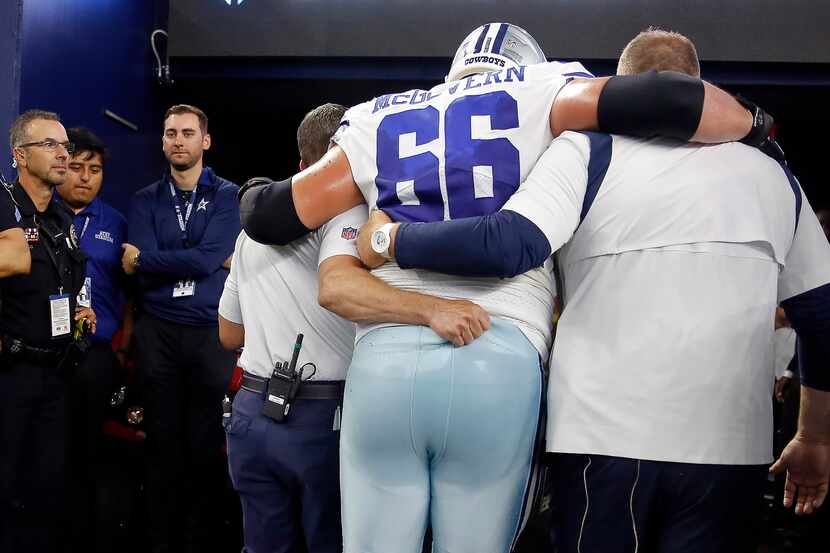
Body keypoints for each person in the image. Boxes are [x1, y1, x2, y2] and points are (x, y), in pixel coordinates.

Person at [240, 22, 774, 553]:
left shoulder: (377, 116)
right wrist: (756, 126)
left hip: (385, 365)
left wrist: (257, 193)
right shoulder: (545, 90)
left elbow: (267, 215)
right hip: (500, 354)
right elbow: (672, 97)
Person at [219, 103, 488, 553]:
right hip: (321, 418)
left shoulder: (250, 233)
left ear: (302, 166)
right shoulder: (351, 217)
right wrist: (433, 309)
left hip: (251, 413)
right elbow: (337, 290)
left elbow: (228, 334)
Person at [123, 104, 240, 553]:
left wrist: (149, 260)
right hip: (158, 332)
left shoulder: (228, 196)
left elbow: (203, 257)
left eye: (188, 133)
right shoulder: (145, 199)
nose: (178, 140)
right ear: (163, 140)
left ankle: (203, 541)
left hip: (208, 332)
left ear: (205, 141)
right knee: (161, 443)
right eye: (171, 132)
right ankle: (159, 542)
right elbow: (203, 259)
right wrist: (197, 259)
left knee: (206, 444)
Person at [0, 110, 96, 553]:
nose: (64, 156)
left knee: (48, 489)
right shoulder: (4, 205)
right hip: (11, 372)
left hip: (58, 372)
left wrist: (79, 311)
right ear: (20, 155)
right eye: (51, 146)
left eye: (65, 146)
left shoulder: (62, 219)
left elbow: (66, 284)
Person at [54, 126, 131, 551]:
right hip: (48, 353)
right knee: (49, 449)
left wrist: (120, 347)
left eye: (95, 169)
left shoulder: (115, 223)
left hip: (97, 354)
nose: (85, 177)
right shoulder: (42, 216)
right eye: (77, 167)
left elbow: (129, 293)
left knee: (91, 453)